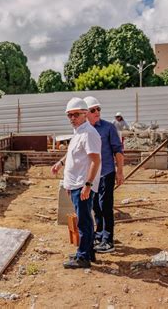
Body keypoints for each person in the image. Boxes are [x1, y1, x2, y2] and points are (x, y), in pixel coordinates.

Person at [51, 97, 101, 269]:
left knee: (84, 222)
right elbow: (74, 156)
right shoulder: (78, 132)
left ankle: (83, 257)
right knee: (84, 220)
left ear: (85, 114)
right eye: (69, 115)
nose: (72, 118)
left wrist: (87, 185)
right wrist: (61, 164)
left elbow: (95, 160)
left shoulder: (89, 134)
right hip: (75, 185)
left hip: (82, 185)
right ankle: (88, 252)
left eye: (76, 114)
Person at [84, 96, 124, 253]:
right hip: (92, 176)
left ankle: (108, 240)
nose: (97, 112)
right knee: (95, 206)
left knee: (105, 206)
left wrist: (119, 172)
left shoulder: (108, 128)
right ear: (85, 113)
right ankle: (100, 235)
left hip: (106, 172)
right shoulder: (84, 130)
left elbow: (118, 151)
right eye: (93, 110)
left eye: (98, 109)